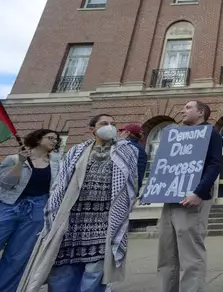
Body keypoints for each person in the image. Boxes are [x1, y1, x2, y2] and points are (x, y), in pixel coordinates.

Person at [18, 114, 139, 292]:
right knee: (64, 268)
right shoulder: (77, 151)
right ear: (92, 129)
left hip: (104, 217)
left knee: (96, 268)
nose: (110, 127)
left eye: (113, 124)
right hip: (73, 217)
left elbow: (131, 182)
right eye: (104, 124)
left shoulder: (126, 151)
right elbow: (61, 182)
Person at [157, 100, 223, 292]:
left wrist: (199, 192)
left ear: (200, 112)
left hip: (192, 201)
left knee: (190, 256)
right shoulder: (176, 134)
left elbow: (214, 165)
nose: (182, 110)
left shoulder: (211, 134)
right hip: (170, 199)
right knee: (166, 255)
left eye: (187, 108)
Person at [0, 129, 60, 292]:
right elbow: (6, 185)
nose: (54, 141)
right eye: (50, 138)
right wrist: (20, 162)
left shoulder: (56, 163)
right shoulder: (13, 159)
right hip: (9, 206)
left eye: (56, 139)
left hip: (37, 211)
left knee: (18, 256)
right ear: (38, 138)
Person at [118, 123, 148, 195]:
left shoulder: (128, 146)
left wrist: (120, 142)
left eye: (122, 131)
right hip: (132, 187)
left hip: (125, 188)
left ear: (127, 133)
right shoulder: (137, 146)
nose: (120, 134)